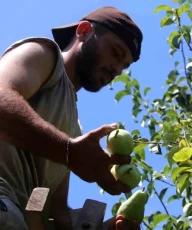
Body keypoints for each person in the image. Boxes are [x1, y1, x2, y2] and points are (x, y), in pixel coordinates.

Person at [0, 6, 143, 230]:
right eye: (116, 52)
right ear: (84, 31)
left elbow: (57, 214)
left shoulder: (73, 127)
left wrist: (104, 228)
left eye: (124, 67)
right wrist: (68, 150)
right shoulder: (44, 55)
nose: (117, 69)